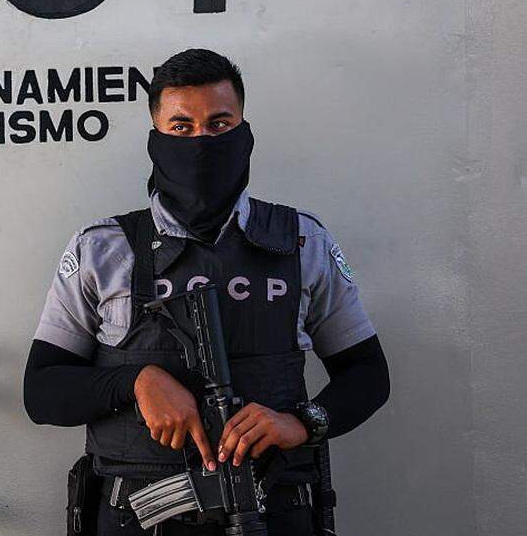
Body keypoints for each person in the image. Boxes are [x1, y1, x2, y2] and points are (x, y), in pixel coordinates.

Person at [23, 49, 390, 535]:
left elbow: (367, 374)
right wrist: (135, 383)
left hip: (273, 513)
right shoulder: (103, 250)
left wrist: (301, 423)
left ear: (245, 132)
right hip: (138, 517)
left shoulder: (303, 242)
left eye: (219, 125)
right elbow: (43, 391)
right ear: (156, 138)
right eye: (181, 127)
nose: (201, 141)